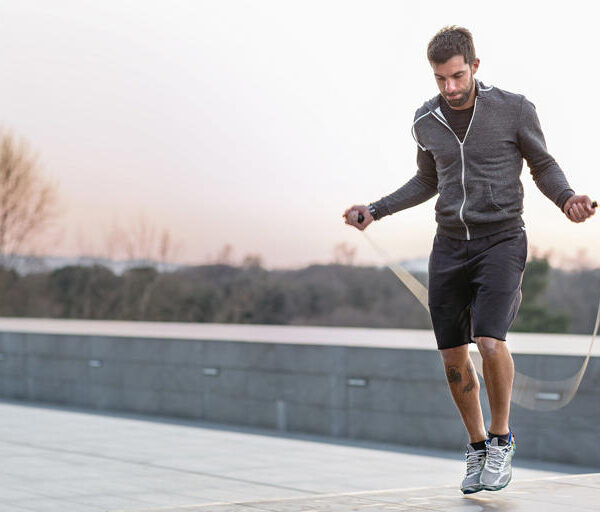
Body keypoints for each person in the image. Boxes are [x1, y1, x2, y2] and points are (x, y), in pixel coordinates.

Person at [342, 25, 596, 494]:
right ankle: (477, 446)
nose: (450, 88)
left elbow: (542, 164)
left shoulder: (514, 109)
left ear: (475, 66)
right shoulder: (426, 120)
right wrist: (374, 210)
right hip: (449, 246)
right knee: (453, 357)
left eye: (457, 76)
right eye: (440, 79)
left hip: (501, 239)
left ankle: (501, 439)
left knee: (490, 341)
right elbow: (425, 180)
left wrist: (567, 201)